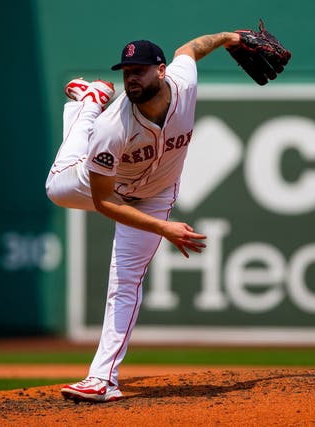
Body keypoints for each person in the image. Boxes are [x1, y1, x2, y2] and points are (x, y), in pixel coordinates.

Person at [45, 31, 241, 402]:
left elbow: (190, 49)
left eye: (139, 70)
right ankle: (89, 104)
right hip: (106, 188)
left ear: (161, 71)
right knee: (56, 187)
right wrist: (164, 228)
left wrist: (229, 37)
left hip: (155, 194)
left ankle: (102, 379)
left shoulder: (184, 83)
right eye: (126, 72)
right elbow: (104, 203)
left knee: (125, 283)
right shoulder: (113, 127)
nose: (131, 78)